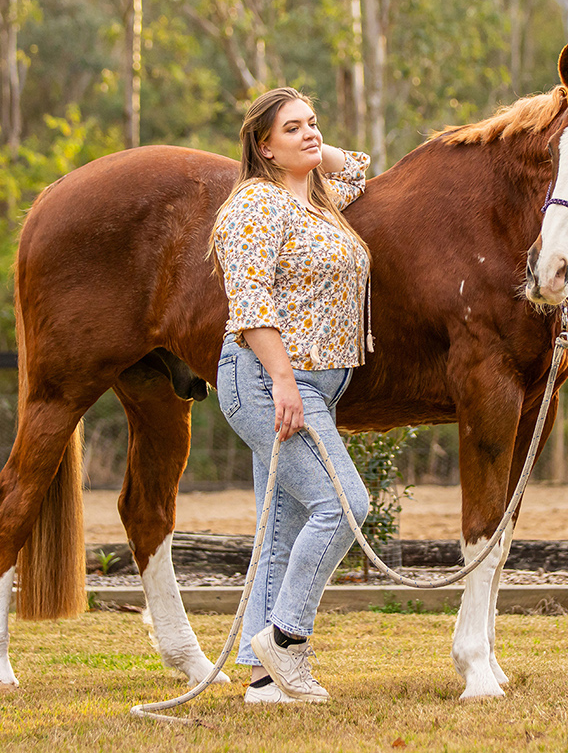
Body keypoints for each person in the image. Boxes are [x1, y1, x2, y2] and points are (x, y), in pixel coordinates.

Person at [209, 87, 375, 704]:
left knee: (278, 530)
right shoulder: (256, 204)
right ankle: (286, 641)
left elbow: (358, 166)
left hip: (313, 386)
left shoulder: (322, 203)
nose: (311, 134)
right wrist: (282, 381)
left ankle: (263, 683)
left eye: (314, 122)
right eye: (292, 129)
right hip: (268, 378)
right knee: (344, 506)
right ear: (263, 148)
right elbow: (251, 303)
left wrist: (311, 150)